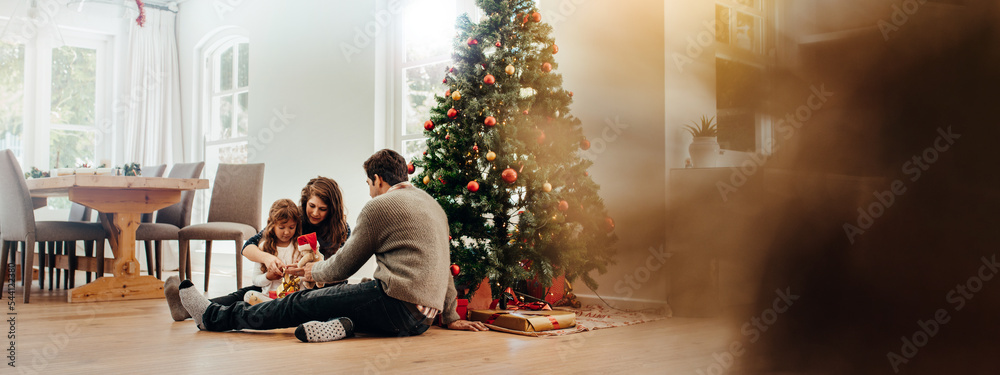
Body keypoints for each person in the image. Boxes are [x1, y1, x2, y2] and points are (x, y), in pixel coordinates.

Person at [175, 149, 488, 342]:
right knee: (341, 303)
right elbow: (444, 264)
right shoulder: (433, 205)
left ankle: (214, 318)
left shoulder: (381, 206)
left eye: (368, 184)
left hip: (395, 304)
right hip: (422, 320)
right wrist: (450, 314)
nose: (369, 191)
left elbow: (343, 265)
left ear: (378, 179)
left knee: (299, 304)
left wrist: (311, 269)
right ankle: (342, 327)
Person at [164, 177, 350, 321]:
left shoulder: (342, 230)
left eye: (322, 208)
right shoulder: (294, 220)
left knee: (260, 301)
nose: (315, 213)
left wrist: (314, 272)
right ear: (305, 202)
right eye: (312, 206)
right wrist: (268, 259)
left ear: (332, 209)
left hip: (320, 290)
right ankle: (186, 308)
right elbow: (248, 246)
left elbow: (344, 268)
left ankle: (202, 313)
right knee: (248, 291)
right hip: (286, 285)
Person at [244, 199, 303, 303]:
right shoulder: (264, 247)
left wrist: (300, 272)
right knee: (249, 295)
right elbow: (256, 280)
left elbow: (306, 282)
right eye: (281, 227)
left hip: (293, 299)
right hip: (270, 299)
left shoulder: (300, 247)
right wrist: (268, 277)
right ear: (272, 225)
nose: (286, 232)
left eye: (291, 227)